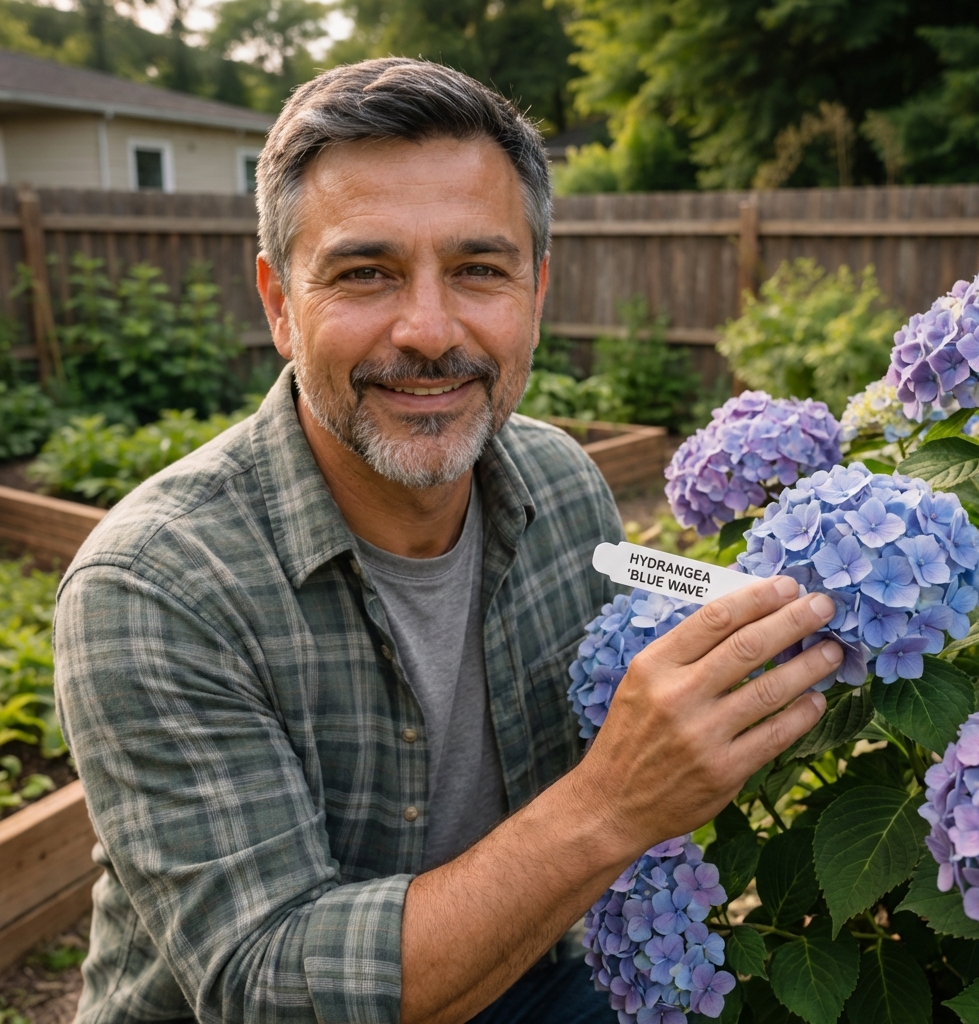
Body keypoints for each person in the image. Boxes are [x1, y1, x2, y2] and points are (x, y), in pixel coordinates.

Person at [53, 58, 838, 1024]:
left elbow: (652, 611)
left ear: (536, 291)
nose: (428, 329)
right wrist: (614, 804)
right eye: (364, 273)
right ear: (277, 303)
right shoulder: (154, 586)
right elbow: (267, 987)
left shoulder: (562, 484)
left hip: (528, 970)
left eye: (478, 270)